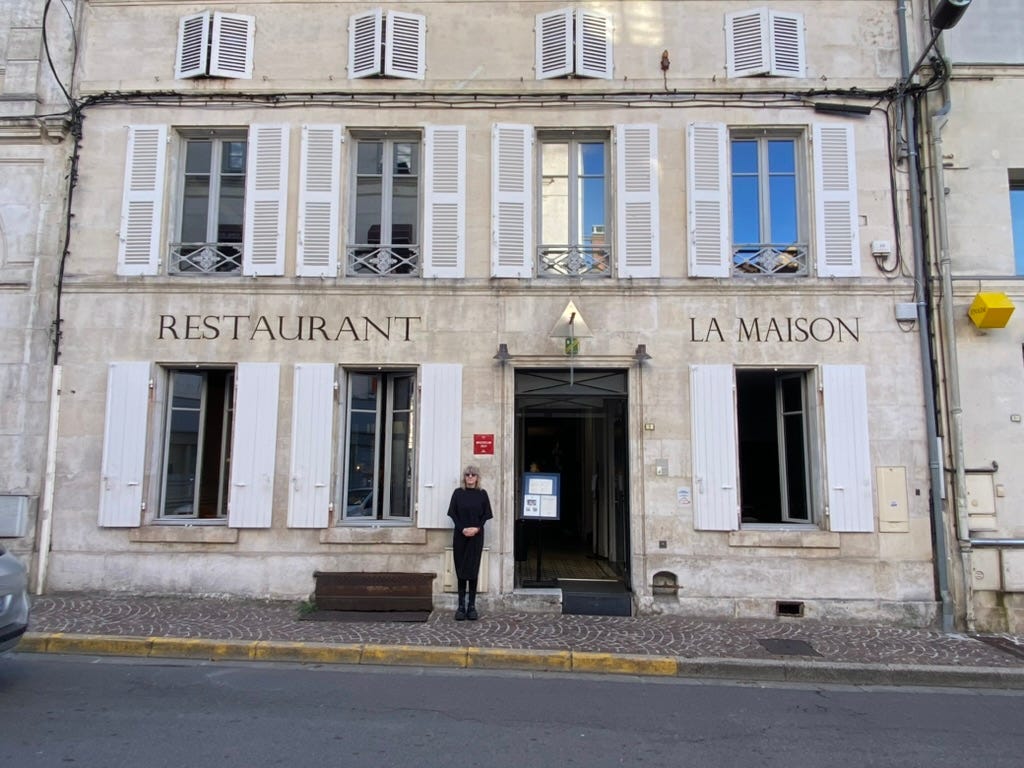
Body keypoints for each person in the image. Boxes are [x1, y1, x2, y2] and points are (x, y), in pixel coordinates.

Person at [447, 465, 493, 621]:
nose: (470, 477)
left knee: (473, 570)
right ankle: (461, 606)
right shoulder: (458, 493)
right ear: (464, 477)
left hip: (476, 536)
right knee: (460, 569)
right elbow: (453, 514)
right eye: (468, 474)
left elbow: (486, 515)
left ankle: (472, 606)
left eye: (473, 474)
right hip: (460, 536)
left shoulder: (482, 494)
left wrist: (476, 529)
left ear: (477, 477)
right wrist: (463, 529)